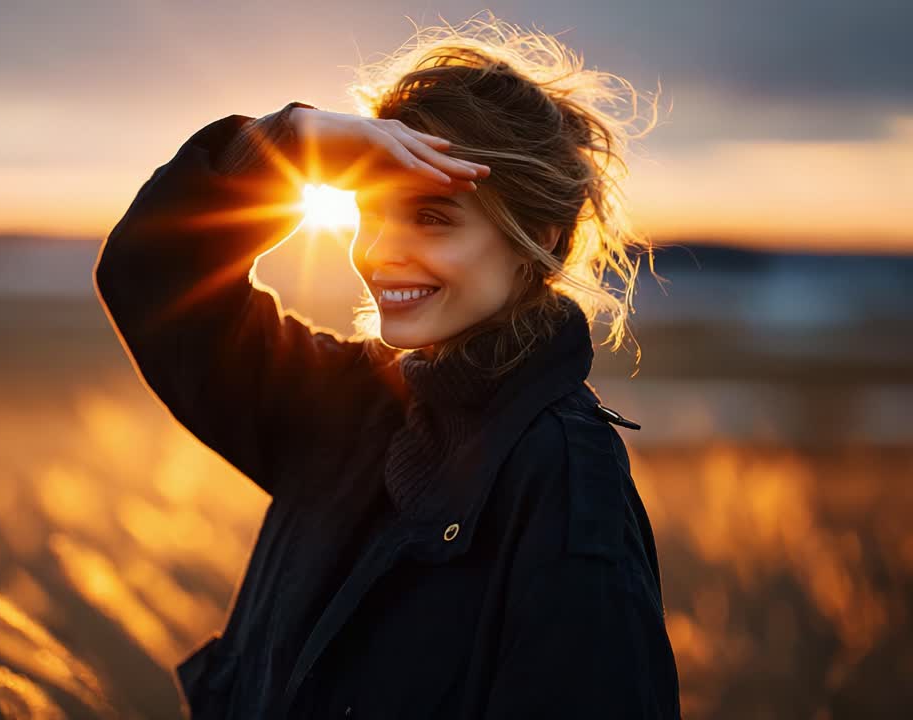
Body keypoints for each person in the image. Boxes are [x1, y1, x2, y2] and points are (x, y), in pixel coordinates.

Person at [93, 13, 681, 720]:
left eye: (432, 218)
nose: (378, 253)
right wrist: (293, 143)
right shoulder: (340, 403)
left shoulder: (563, 476)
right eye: (368, 215)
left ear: (537, 240)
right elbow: (152, 275)